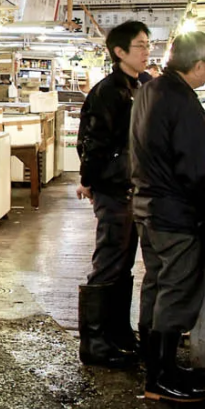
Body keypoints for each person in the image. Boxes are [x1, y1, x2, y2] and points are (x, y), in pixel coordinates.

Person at [130, 31, 205, 402]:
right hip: (174, 211)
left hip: (147, 206)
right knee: (177, 289)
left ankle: (157, 366)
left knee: (157, 283)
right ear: (199, 65)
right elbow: (194, 168)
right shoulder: (179, 100)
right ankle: (161, 376)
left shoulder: (151, 89)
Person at [74, 19, 151, 368]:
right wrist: (89, 180)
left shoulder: (142, 86)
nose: (147, 51)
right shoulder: (108, 91)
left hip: (133, 189)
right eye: (140, 45)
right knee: (109, 262)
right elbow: (92, 142)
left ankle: (119, 332)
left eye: (148, 44)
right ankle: (94, 342)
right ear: (120, 52)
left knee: (124, 262)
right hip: (114, 190)